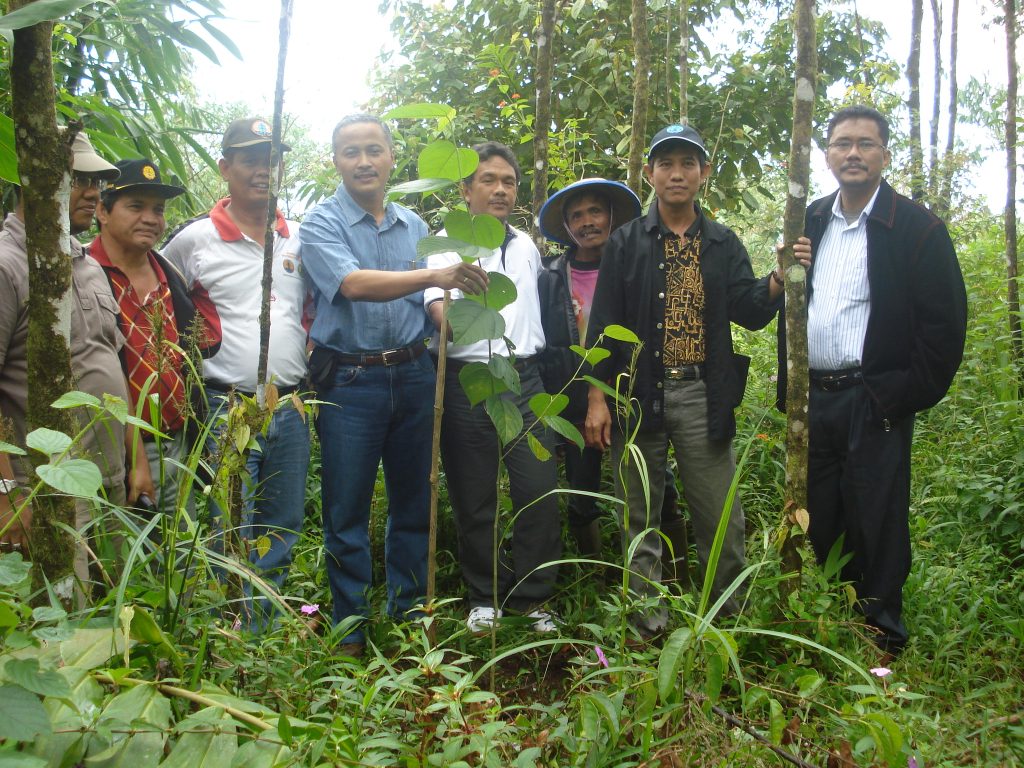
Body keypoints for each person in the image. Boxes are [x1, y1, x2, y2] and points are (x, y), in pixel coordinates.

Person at [777, 105, 967, 655]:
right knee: (822, 511)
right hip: (813, 397)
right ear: (827, 154)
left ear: (885, 154)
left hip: (874, 397)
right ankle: (837, 614)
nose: (853, 153)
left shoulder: (916, 228)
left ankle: (884, 636)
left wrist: (894, 396)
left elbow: (944, 330)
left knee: (877, 514)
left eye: (865, 143)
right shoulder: (810, 219)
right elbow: (794, 302)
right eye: (841, 143)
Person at [584, 124, 787, 636]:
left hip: (702, 392)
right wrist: (596, 398)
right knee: (640, 516)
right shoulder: (626, 242)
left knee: (721, 517)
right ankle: (647, 626)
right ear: (648, 173)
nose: (677, 174)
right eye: (666, 164)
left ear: (704, 173)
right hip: (636, 393)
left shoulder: (721, 242)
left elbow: (750, 309)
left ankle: (725, 622)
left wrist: (778, 281)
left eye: (688, 164)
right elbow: (603, 324)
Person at [300, 113, 487, 654]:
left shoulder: (416, 228)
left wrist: (464, 316)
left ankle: (408, 616)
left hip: (412, 375)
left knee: (414, 502)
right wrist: (433, 275)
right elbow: (352, 284)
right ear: (336, 160)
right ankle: (350, 628)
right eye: (351, 151)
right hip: (350, 381)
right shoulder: (321, 223)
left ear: (390, 158)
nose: (363, 161)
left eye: (373, 150)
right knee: (346, 508)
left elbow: (432, 301)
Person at [163, 118, 310, 628]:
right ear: (225, 168)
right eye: (250, 159)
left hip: (289, 404)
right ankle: (229, 631)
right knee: (230, 521)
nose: (262, 170)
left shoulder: (298, 238)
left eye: (270, 159)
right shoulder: (194, 241)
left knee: (284, 520)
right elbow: (162, 305)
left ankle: (264, 630)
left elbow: (310, 313)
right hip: (226, 406)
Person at [425, 142, 560, 634]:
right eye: (488, 180)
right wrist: (454, 316)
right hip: (467, 380)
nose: (500, 189)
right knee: (473, 490)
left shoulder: (526, 246)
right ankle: (483, 596)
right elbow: (436, 310)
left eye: (508, 181)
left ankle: (533, 598)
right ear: (465, 189)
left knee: (537, 487)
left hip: (524, 377)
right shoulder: (443, 243)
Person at [0, 131, 141, 589]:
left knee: (115, 610)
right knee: (64, 621)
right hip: (43, 487)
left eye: (97, 179)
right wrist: (6, 496)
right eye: (77, 177)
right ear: (32, 178)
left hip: (108, 481)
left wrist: (135, 458)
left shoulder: (88, 264)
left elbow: (113, 364)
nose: (93, 191)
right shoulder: (7, 266)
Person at [90, 158, 220, 521]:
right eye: (136, 206)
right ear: (102, 209)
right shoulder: (84, 274)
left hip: (175, 442)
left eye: (158, 209)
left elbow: (198, 345)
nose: (150, 218)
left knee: (181, 557)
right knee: (119, 556)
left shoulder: (168, 272)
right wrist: (136, 459)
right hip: (109, 446)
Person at [537, 178, 641, 558]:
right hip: (574, 401)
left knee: (650, 486)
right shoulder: (551, 277)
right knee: (581, 491)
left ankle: (667, 577)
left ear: (612, 217)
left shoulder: (634, 268)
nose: (587, 222)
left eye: (595, 211)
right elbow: (546, 344)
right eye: (576, 215)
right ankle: (592, 579)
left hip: (630, 394)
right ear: (566, 227)